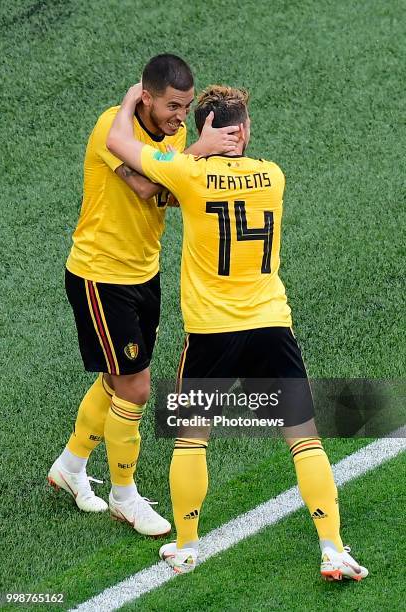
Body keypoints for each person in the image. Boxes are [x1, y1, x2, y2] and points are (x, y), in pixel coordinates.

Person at [106, 83, 368, 578]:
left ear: (204, 128)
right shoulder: (272, 175)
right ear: (244, 130)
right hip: (271, 323)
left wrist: (129, 103)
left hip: (211, 332)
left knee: (192, 438)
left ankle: (185, 545)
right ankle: (332, 546)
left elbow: (119, 145)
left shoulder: (188, 173)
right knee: (305, 440)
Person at [48, 54, 239, 537]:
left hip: (143, 273)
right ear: (146, 98)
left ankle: (70, 466)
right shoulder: (110, 128)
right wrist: (198, 153)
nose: (180, 115)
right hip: (100, 276)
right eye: (173, 106)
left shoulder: (171, 137)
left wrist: (196, 162)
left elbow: (170, 193)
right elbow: (145, 187)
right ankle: (123, 496)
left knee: (118, 380)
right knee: (135, 386)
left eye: (187, 106)